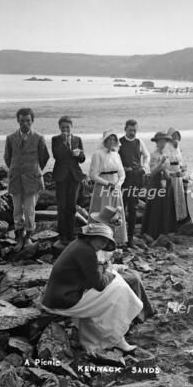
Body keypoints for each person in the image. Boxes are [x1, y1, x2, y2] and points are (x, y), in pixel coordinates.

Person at [41, 223, 142, 353]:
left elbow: (94, 275)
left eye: (106, 241)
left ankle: (92, 341)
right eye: (101, 239)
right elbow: (99, 284)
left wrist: (104, 270)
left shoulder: (79, 244)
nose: (103, 244)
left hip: (58, 296)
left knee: (114, 287)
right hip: (65, 300)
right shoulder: (86, 251)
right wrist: (108, 271)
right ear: (92, 236)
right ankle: (116, 338)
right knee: (119, 290)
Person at [4, 107, 50, 251]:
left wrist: (34, 170)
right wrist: (15, 169)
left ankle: (28, 237)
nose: (25, 123)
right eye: (22, 120)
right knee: (17, 210)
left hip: (32, 179)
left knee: (29, 210)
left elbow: (44, 158)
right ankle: (19, 238)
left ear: (32, 121)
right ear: (18, 121)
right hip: (16, 178)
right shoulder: (10, 138)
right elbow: (7, 158)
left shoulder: (39, 138)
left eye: (28, 120)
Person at [88, 130, 127, 245]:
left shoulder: (116, 154)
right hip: (103, 187)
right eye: (109, 139)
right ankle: (101, 239)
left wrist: (118, 185)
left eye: (114, 139)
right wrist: (107, 183)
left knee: (116, 212)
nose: (111, 141)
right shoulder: (97, 154)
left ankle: (117, 239)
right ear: (104, 140)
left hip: (115, 187)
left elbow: (122, 173)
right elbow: (93, 174)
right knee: (103, 212)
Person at [51, 116, 86, 245]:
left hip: (74, 176)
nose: (65, 129)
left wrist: (79, 154)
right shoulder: (55, 139)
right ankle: (62, 235)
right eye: (63, 127)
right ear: (59, 128)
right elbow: (57, 156)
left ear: (71, 127)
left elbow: (82, 159)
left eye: (67, 127)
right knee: (62, 206)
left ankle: (71, 234)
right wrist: (65, 144)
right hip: (61, 176)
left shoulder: (78, 139)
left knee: (71, 206)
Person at [118, 119, 150, 247]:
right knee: (120, 208)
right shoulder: (119, 142)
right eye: (130, 130)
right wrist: (121, 168)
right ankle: (120, 236)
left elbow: (147, 156)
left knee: (133, 208)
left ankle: (130, 238)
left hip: (136, 178)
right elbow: (114, 158)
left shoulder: (139, 142)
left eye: (135, 130)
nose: (132, 133)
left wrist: (144, 168)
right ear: (125, 129)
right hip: (123, 180)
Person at [141, 131, 177, 239]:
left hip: (166, 181)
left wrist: (169, 173)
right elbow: (151, 172)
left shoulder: (166, 154)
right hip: (156, 182)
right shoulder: (153, 155)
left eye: (164, 142)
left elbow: (169, 169)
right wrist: (160, 165)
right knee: (156, 205)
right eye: (161, 141)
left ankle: (164, 229)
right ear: (156, 143)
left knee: (165, 205)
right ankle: (153, 230)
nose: (163, 144)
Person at [166, 127, 188, 222]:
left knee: (179, 195)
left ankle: (180, 216)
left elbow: (180, 161)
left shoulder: (178, 147)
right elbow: (166, 163)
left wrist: (183, 168)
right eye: (173, 135)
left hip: (178, 174)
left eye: (177, 135)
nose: (175, 137)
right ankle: (172, 218)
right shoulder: (167, 147)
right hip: (171, 174)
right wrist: (173, 173)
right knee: (172, 196)